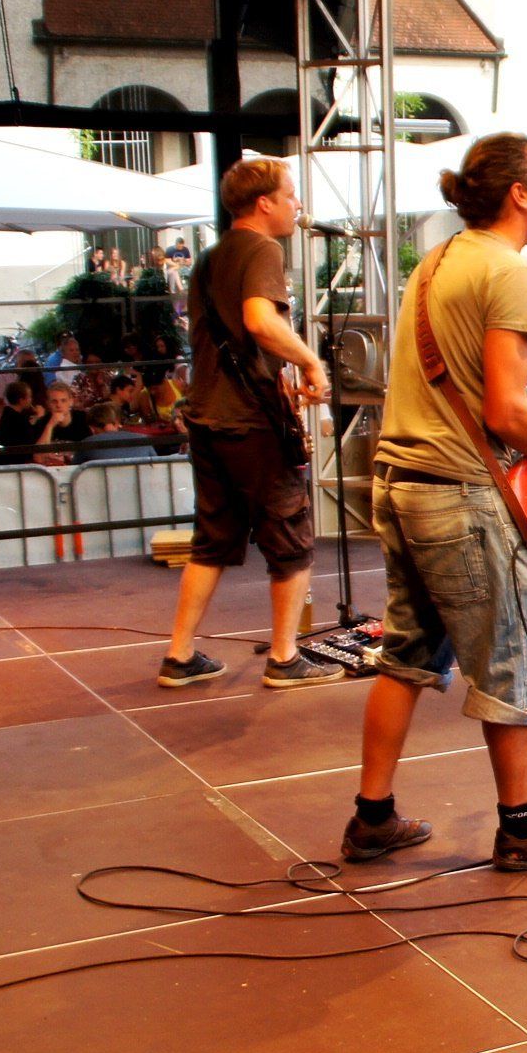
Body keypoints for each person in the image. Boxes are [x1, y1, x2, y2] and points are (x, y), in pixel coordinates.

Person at [349, 132, 527, 869]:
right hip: (459, 497)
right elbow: (503, 409)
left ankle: (372, 818)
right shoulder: (509, 269)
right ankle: (522, 830)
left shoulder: (437, 262)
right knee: (511, 661)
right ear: (519, 193)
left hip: (403, 481)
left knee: (406, 654)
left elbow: (473, 393)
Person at [156, 157, 342, 693]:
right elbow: (260, 321)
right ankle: (284, 658)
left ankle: (179, 655)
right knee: (291, 540)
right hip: (249, 421)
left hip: (208, 415)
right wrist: (310, 362)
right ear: (264, 203)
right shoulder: (262, 250)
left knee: (212, 540)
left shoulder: (209, 258)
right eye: (290, 195)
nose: (298, 205)